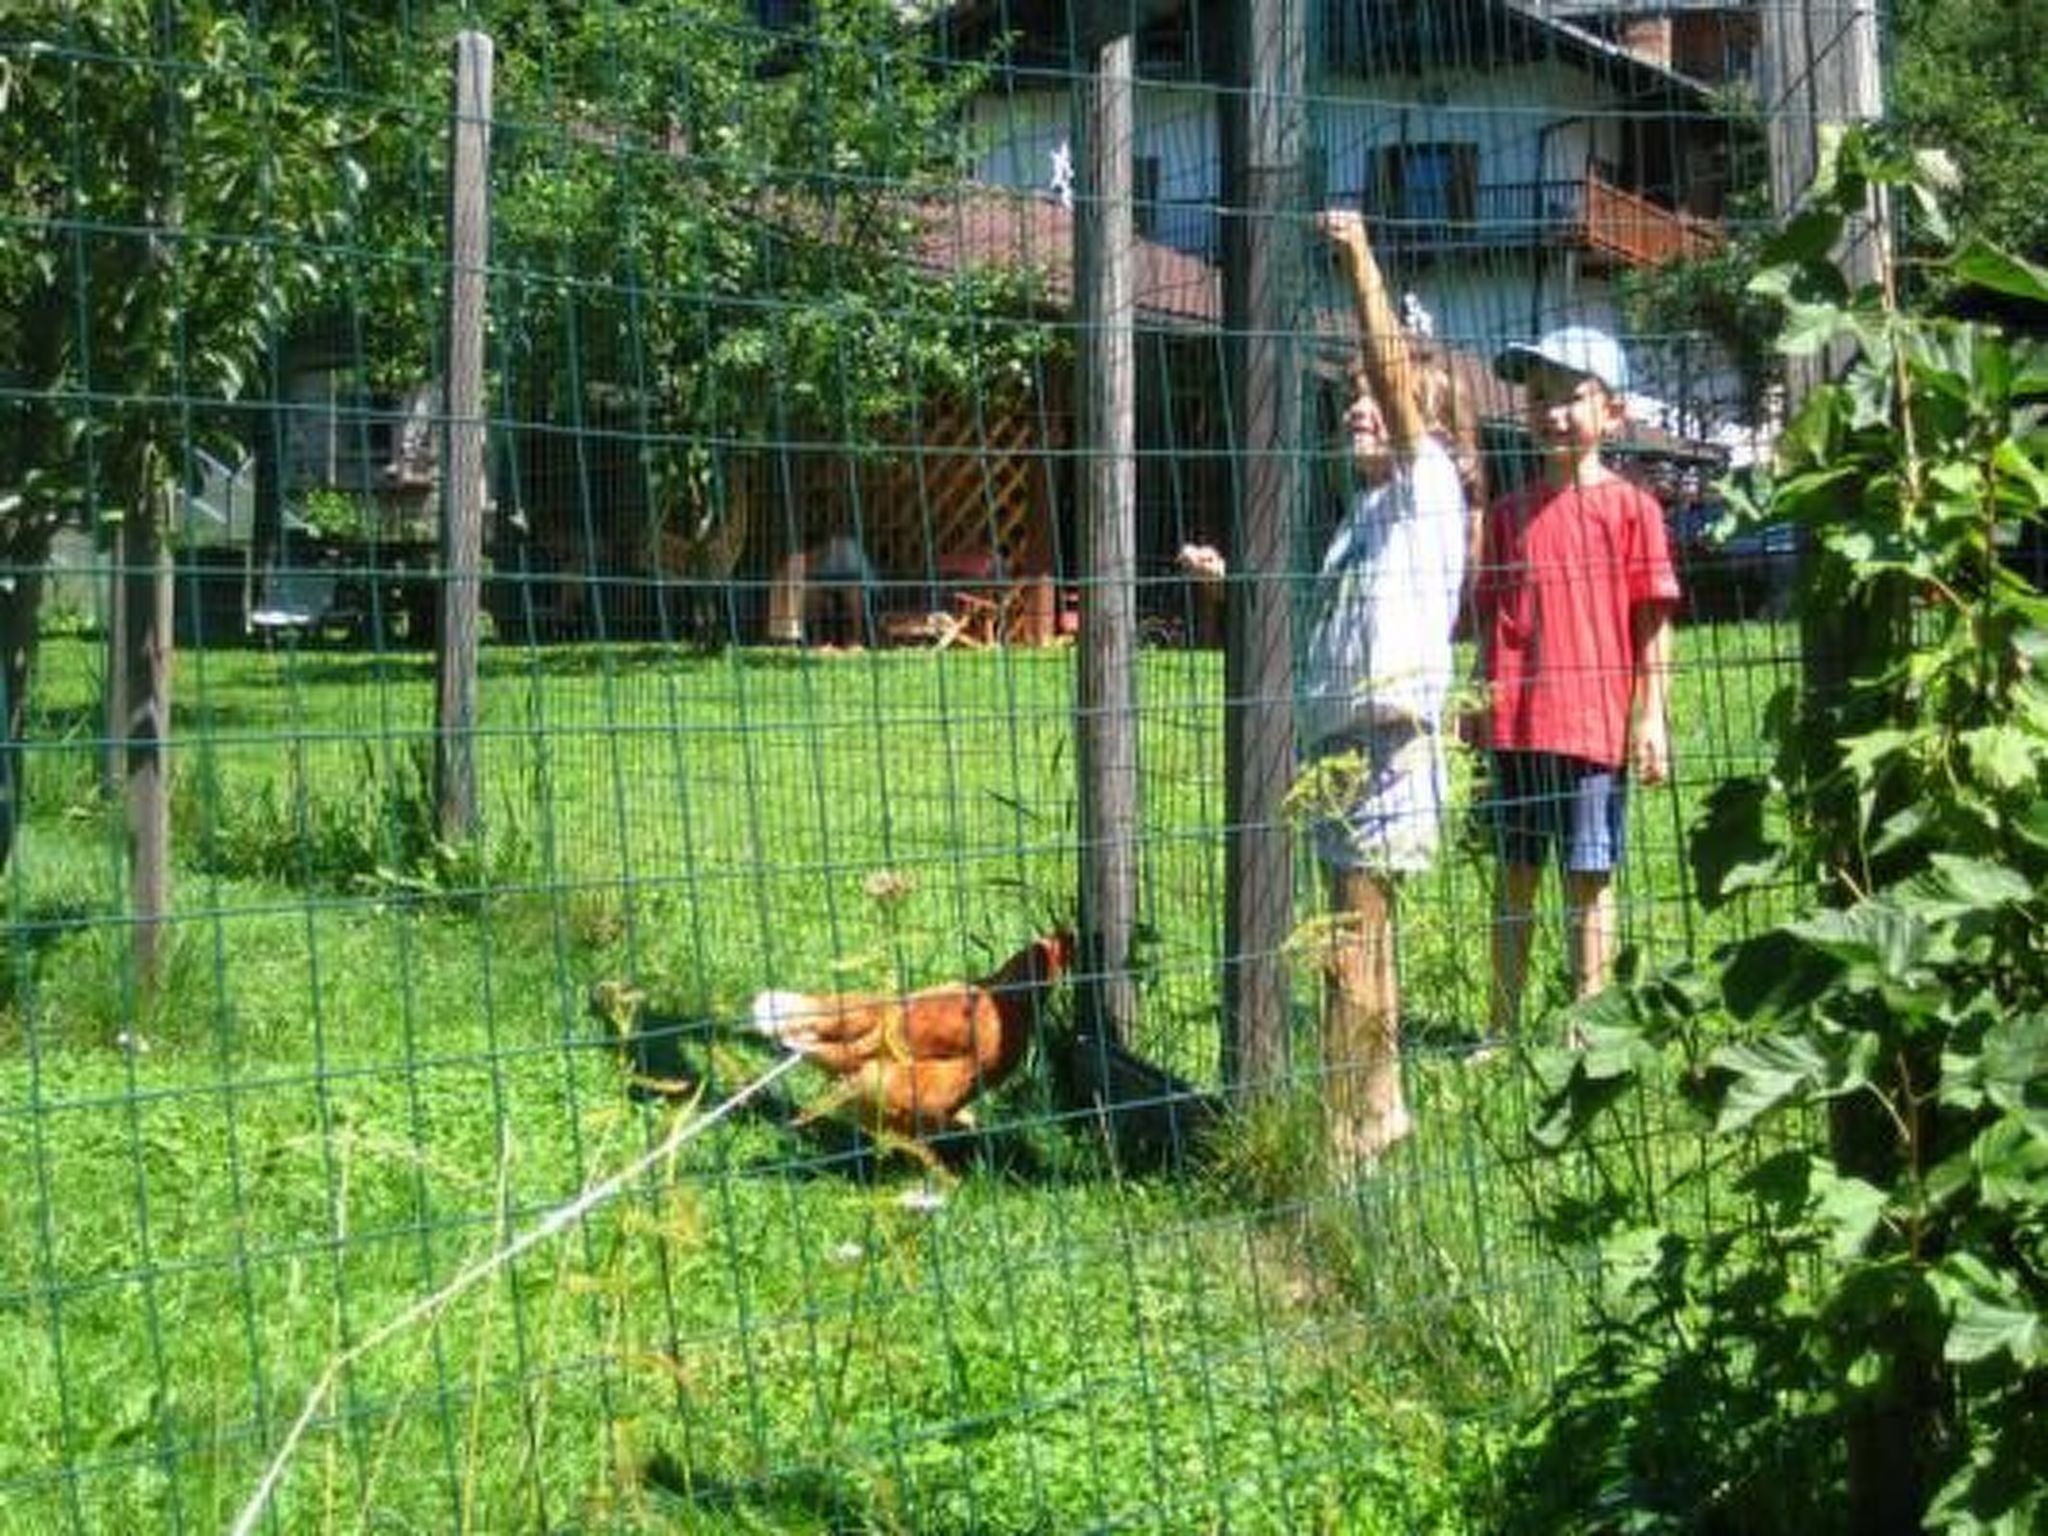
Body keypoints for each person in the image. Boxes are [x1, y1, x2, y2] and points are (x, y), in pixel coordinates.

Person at [1300, 209, 1477, 1167]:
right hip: (1341, 746)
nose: (1357, 407)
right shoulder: (1365, 515)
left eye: (1376, 397)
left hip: (1386, 747)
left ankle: (1342, 1135)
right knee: (1363, 941)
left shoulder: (1427, 483)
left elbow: (1391, 368)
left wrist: (1361, 260)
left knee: (1348, 945)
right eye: (1351, 399)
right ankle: (1383, 1105)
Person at [1473, 325, 1680, 1041]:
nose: (1552, 412)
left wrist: (1651, 716)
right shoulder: (1507, 514)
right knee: (1515, 874)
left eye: (1571, 396)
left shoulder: (1633, 509)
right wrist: (1475, 697)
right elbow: (1491, 616)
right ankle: (1500, 1029)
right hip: (1517, 726)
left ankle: (1586, 1025)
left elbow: (1654, 620)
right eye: (1538, 397)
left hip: (1594, 728)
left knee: (1589, 878)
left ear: (1612, 412)